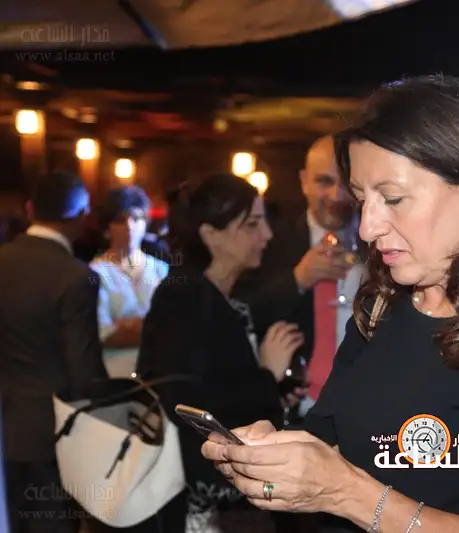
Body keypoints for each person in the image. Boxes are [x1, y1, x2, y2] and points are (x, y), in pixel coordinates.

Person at [202, 75, 459, 533]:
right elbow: (328, 439)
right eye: (362, 200)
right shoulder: (382, 306)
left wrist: (346, 492)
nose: (367, 227)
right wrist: (272, 455)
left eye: (393, 199)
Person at [133, 174, 304, 532]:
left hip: (226, 491)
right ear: (211, 234)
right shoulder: (183, 296)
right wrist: (267, 376)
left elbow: (223, 381)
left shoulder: (226, 296)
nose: (267, 235)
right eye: (252, 224)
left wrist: (275, 390)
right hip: (198, 501)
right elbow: (183, 400)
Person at [0, 170, 108, 533]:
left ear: (30, 209)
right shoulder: (75, 277)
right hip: (51, 435)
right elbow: (83, 372)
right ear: (82, 216)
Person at [233, 135, 364, 418]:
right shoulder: (269, 242)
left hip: (364, 409)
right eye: (324, 182)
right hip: (293, 410)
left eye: (346, 182)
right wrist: (297, 280)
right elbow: (239, 314)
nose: (337, 195)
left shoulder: (381, 245)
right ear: (304, 182)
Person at [90, 186, 168, 378]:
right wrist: (156, 327)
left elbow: (178, 325)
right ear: (107, 229)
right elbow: (103, 334)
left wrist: (126, 324)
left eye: (136, 218)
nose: (130, 226)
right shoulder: (95, 272)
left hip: (159, 374)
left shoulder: (161, 269)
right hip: (116, 375)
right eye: (120, 220)